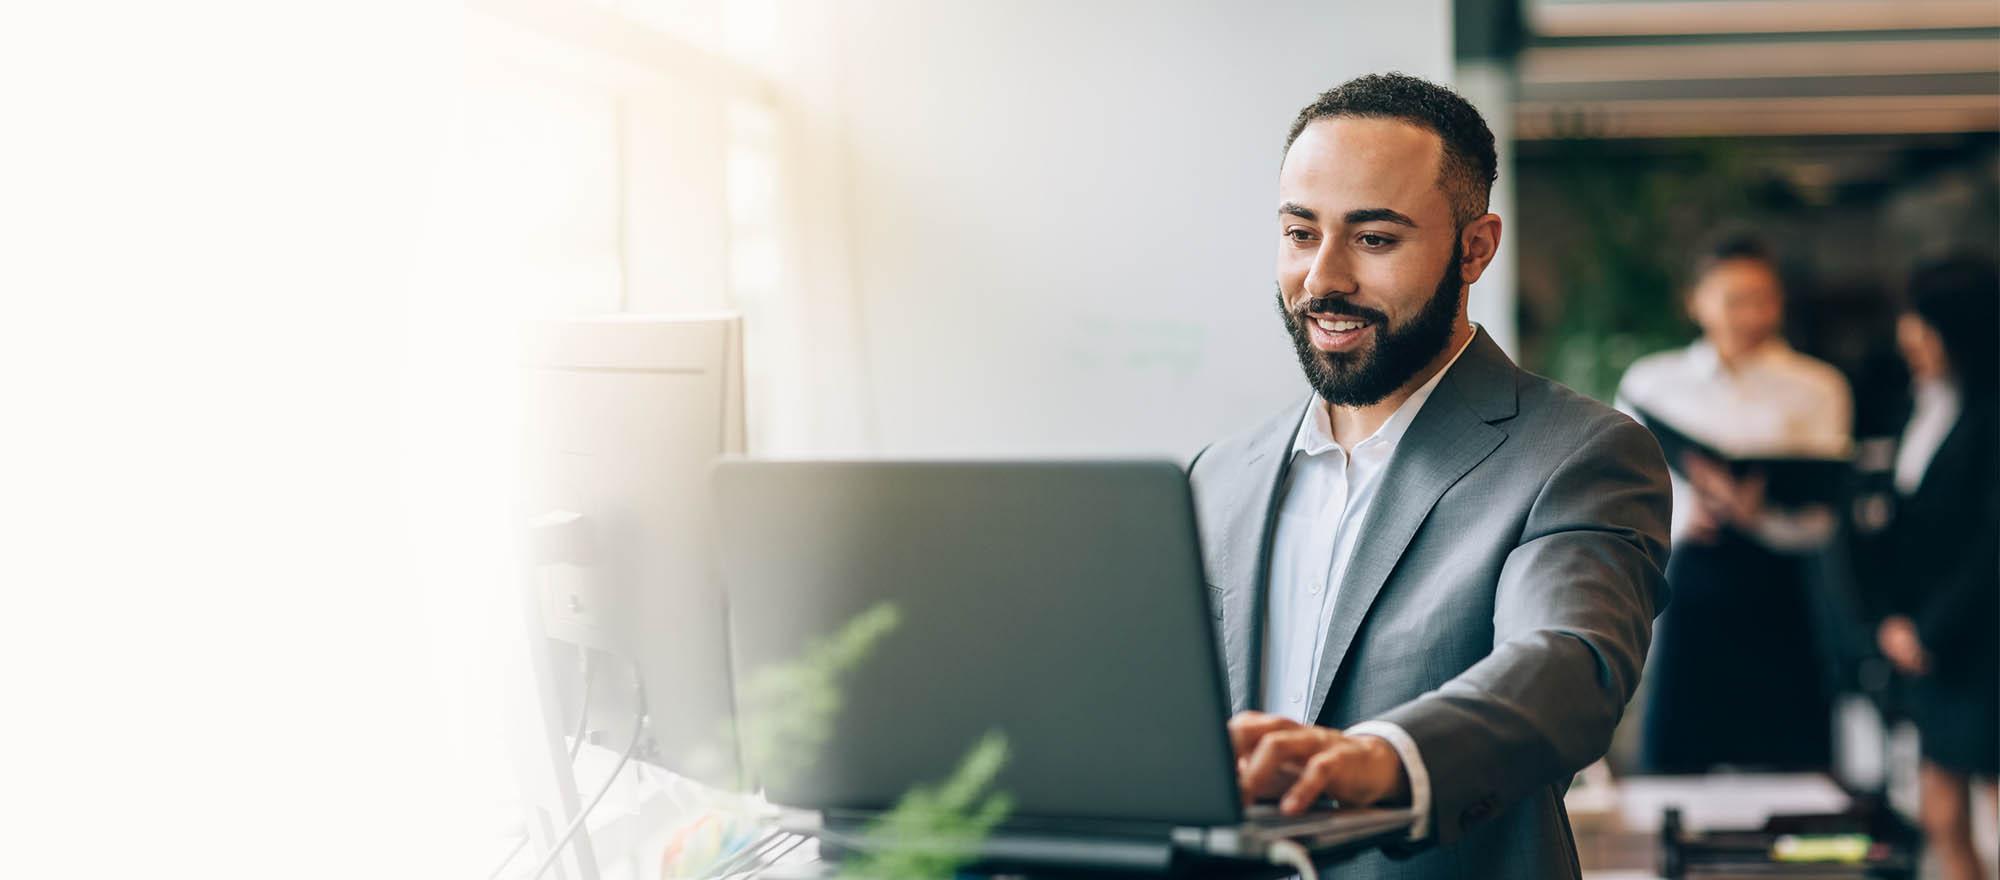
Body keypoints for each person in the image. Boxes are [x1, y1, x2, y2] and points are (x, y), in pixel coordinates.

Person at [1187, 73, 1670, 879]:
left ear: (1476, 247)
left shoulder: (1579, 454)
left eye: (1374, 239)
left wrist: (1381, 759)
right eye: (1301, 233)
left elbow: (1566, 664)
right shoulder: (1217, 478)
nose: (1324, 278)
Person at [1616, 234, 1852, 773]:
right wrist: (1684, 514)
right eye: (1732, 298)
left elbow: (1824, 508)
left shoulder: (1818, 386)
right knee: (1678, 756)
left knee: (1790, 761)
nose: (1750, 313)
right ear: (1696, 300)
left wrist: (1758, 511)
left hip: (1779, 582)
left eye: (1763, 298)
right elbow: (1622, 494)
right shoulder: (1653, 383)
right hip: (1689, 576)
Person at [1873, 256, 1998, 880]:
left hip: (1980, 638)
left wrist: (1931, 629)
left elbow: (1992, 542)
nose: (1908, 338)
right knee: (1941, 811)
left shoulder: (1990, 412)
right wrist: (1897, 618)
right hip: (1932, 641)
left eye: (1924, 326)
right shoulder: (1921, 406)